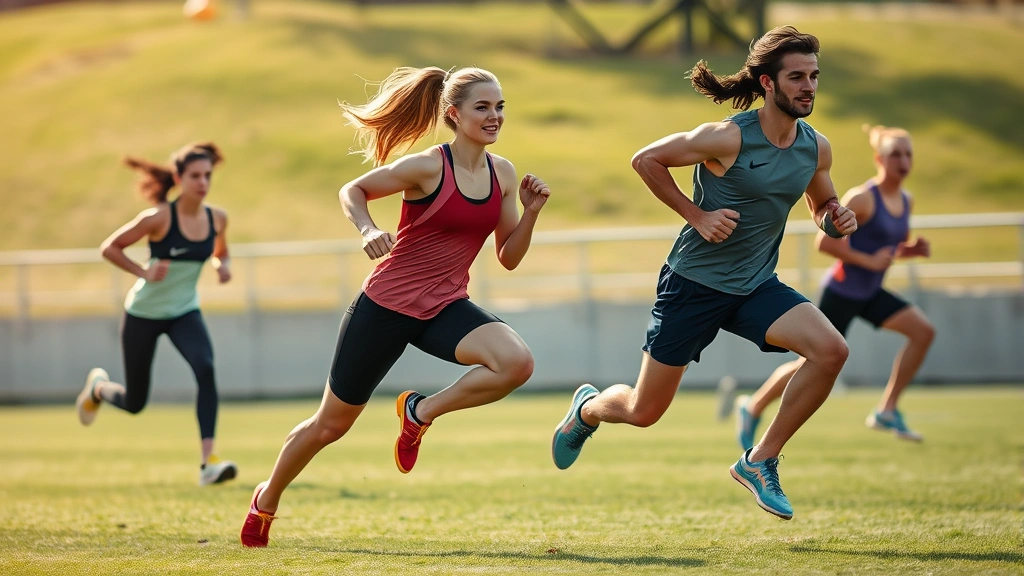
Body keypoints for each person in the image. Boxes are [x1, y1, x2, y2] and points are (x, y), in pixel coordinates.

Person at [550, 25, 858, 521]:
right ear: (767, 83)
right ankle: (587, 410)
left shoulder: (815, 147)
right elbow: (646, 160)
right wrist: (697, 215)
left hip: (755, 285)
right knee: (643, 411)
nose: (809, 87)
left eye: (814, 76)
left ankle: (759, 460)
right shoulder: (728, 137)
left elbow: (822, 204)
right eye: (797, 77)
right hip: (693, 285)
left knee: (831, 350)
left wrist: (834, 219)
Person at [240, 66, 550, 547]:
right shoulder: (428, 167)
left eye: (500, 106)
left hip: (445, 305)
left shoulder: (503, 174)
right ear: (454, 114)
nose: (494, 116)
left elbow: (508, 257)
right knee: (330, 426)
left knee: (516, 363)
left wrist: (530, 214)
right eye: (483, 107)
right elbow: (353, 190)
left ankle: (419, 413)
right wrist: (367, 229)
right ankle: (267, 499)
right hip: (385, 306)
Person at [736, 125, 934, 448]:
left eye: (908, 154)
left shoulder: (906, 201)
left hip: (870, 292)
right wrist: (869, 261)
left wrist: (907, 251)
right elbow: (826, 243)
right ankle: (753, 406)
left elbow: (882, 246)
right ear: (879, 159)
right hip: (842, 291)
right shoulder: (863, 198)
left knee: (923, 332)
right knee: (809, 363)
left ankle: (886, 409)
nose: (903, 161)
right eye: (895, 154)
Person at [74, 142, 238, 487]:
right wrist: (143, 272)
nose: (203, 182)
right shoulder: (159, 218)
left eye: (207, 175)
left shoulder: (217, 218)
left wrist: (222, 265)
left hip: (184, 312)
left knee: (206, 369)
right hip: (143, 314)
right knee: (135, 403)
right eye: (195, 176)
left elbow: (220, 251)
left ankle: (208, 463)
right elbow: (109, 247)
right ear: (178, 178)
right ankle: (99, 388)